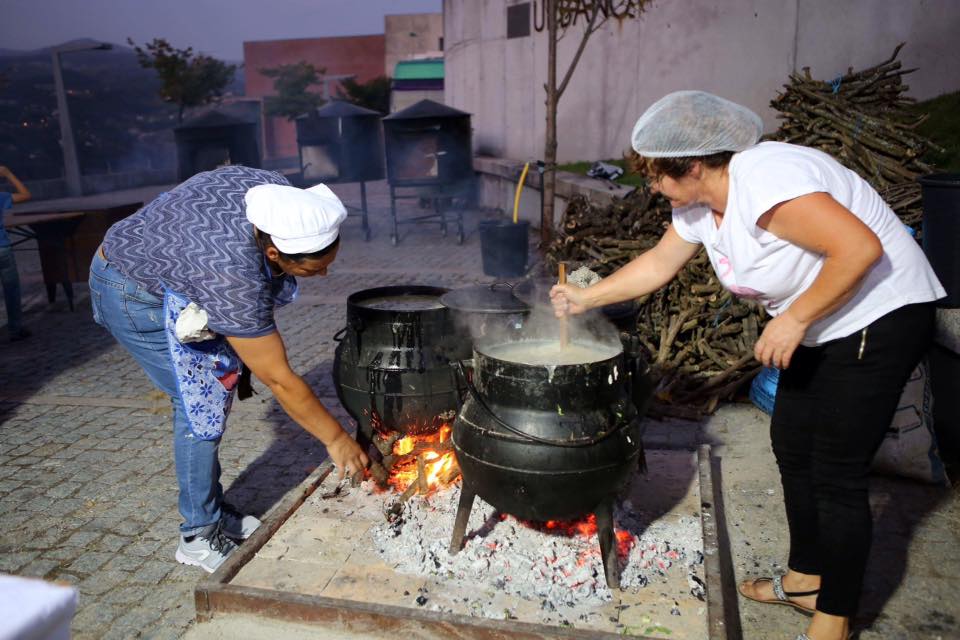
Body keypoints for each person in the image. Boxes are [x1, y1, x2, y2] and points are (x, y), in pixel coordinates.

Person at [550, 91, 945, 640]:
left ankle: (834, 620)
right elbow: (660, 262)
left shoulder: (766, 178)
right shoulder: (694, 204)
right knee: (791, 440)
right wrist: (585, 299)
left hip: (881, 312)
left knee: (836, 468)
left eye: (657, 176)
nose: (653, 187)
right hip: (827, 316)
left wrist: (795, 317)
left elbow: (859, 249)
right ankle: (806, 580)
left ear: (692, 166)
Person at [89, 165, 369, 573]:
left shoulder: (273, 193)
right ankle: (197, 536)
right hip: (131, 290)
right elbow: (278, 378)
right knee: (198, 406)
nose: (324, 273)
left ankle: (212, 510)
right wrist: (336, 439)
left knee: (211, 392)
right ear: (273, 253)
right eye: (315, 268)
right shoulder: (232, 277)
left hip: (173, 265)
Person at [0, 165, 33, 341]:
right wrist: (8, 174)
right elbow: (26, 195)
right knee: (11, 289)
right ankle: (15, 328)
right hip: (2, 247)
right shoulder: (1, 197)